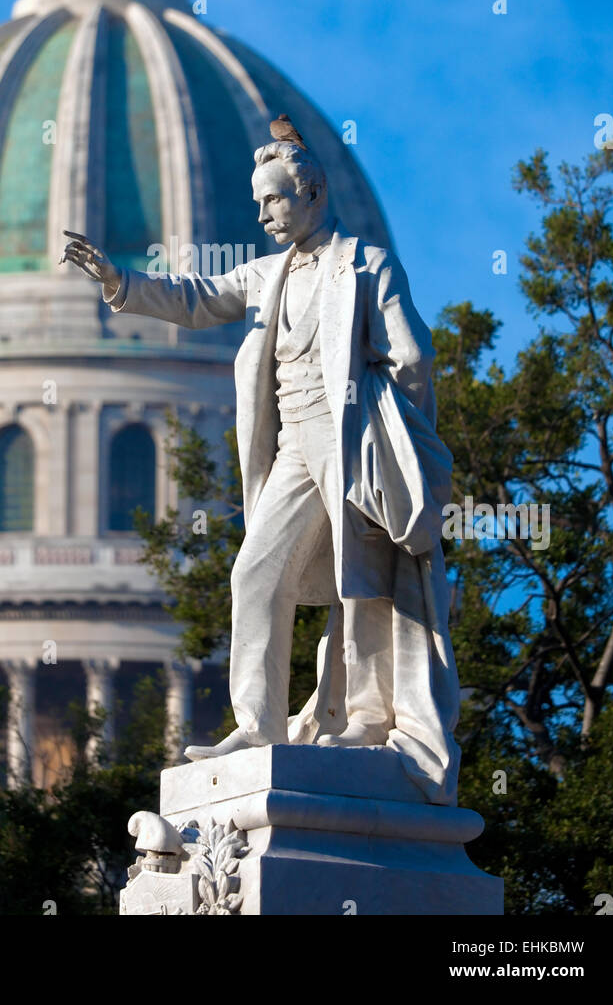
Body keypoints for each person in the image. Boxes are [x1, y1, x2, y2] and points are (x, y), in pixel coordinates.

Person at [63, 122, 460, 804]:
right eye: (257, 204)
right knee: (255, 571)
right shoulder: (264, 274)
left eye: (273, 202)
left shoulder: (367, 265)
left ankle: (367, 717)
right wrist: (119, 280)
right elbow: (193, 299)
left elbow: (413, 357)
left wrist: (399, 442)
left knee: (361, 579)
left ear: (311, 192)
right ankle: (258, 724)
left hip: (349, 439)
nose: (262, 215)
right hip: (295, 444)